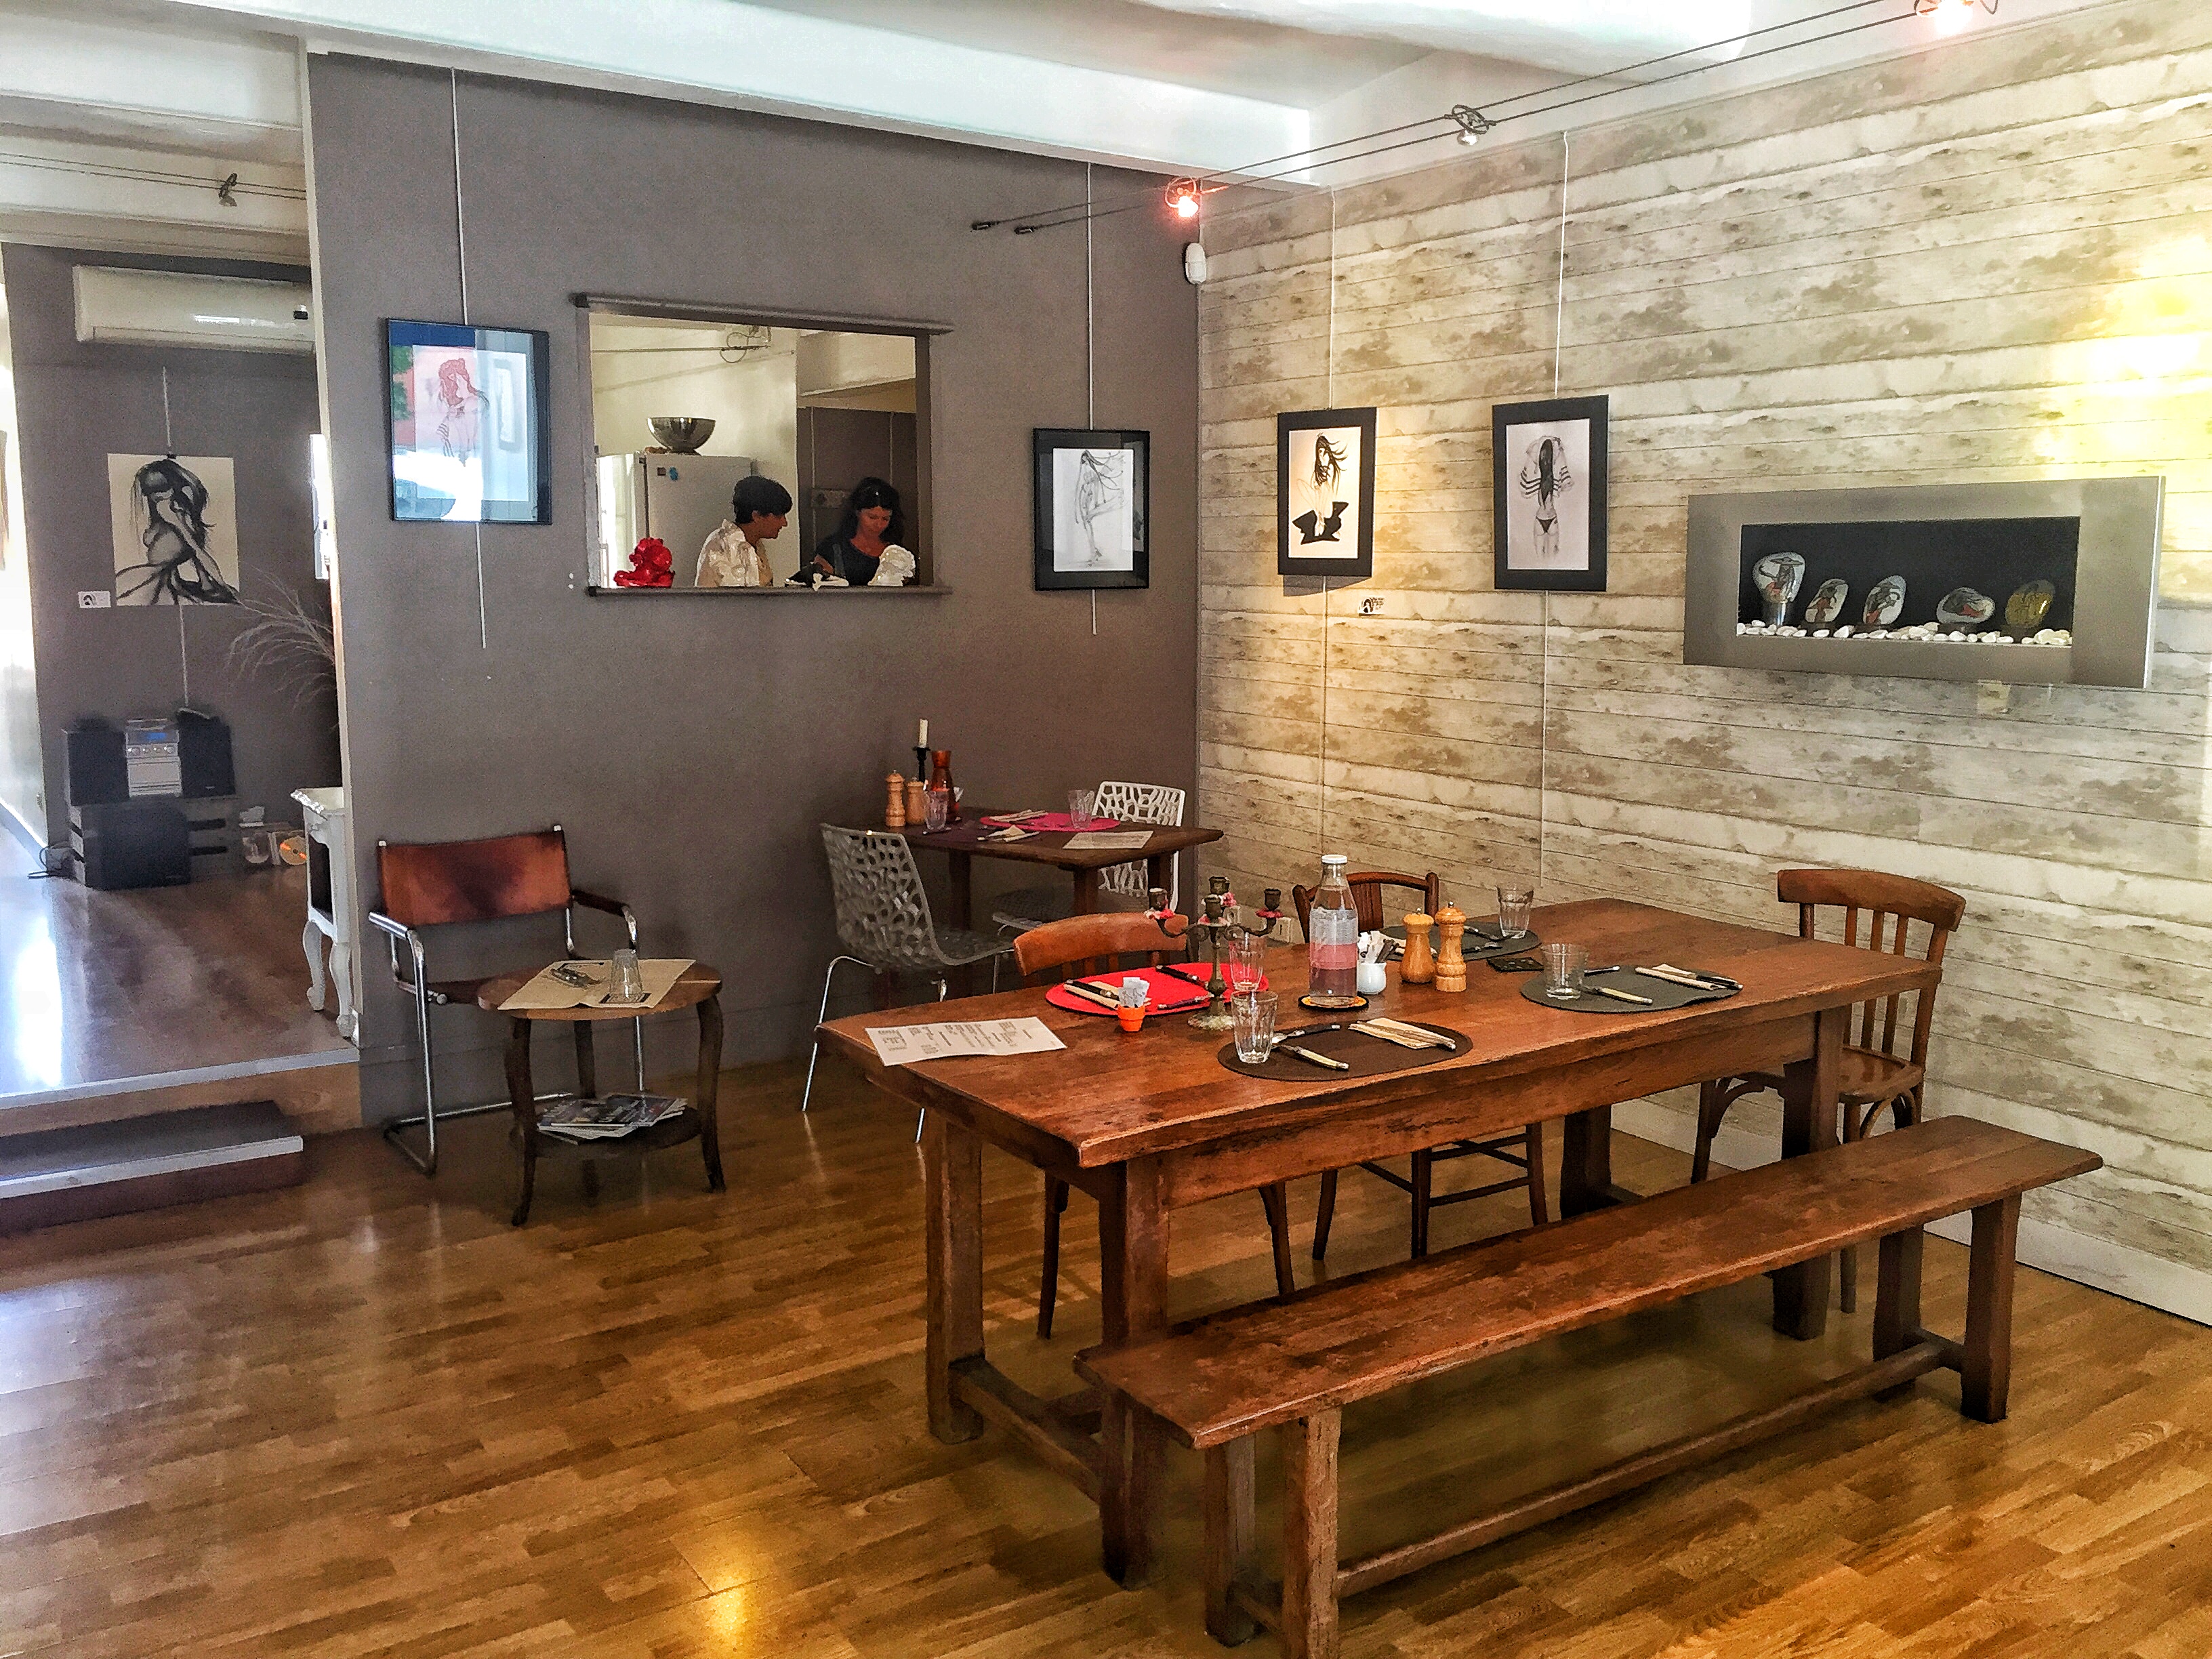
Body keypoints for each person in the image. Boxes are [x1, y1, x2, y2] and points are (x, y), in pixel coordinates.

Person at [804, 476, 911, 586]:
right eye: (872, 517)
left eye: (885, 519)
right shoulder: (832, 549)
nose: (879, 525)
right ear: (857, 512)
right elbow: (819, 586)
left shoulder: (898, 553)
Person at [695, 474, 792, 588]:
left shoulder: (757, 546)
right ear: (757, 516)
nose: (785, 523)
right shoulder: (720, 545)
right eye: (779, 516)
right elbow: (705, 595)